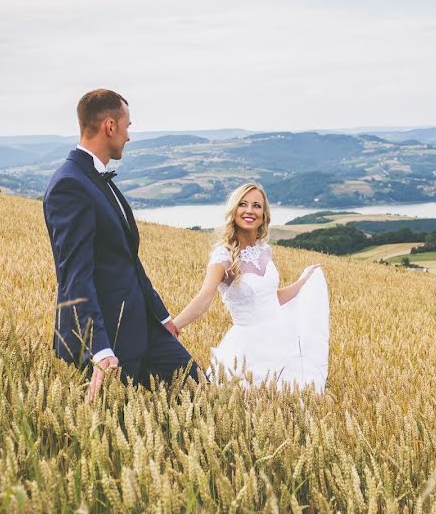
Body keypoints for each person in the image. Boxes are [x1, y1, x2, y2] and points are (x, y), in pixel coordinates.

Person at [43, 89, 198, 400]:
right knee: (110, 431)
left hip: (143, 327)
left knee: (200, 389)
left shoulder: (95, 178)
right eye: (127, 126)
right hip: (107, 337)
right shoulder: (70, 185)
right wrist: (98, 349)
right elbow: (75, 275)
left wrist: (162, 318)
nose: (128, 136)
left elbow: (127, 259)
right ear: (110, 126)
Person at [173, 183, 329, 391]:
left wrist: (303, 282)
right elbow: (204, 297)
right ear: (234, 210)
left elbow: (270, 298)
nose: (249, 211)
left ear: (264, 215)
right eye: (243, 204)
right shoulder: (224, 256)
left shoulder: (264, 250)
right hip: (249, 351)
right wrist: (173, 326)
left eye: (256, 206)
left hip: (282, 340)